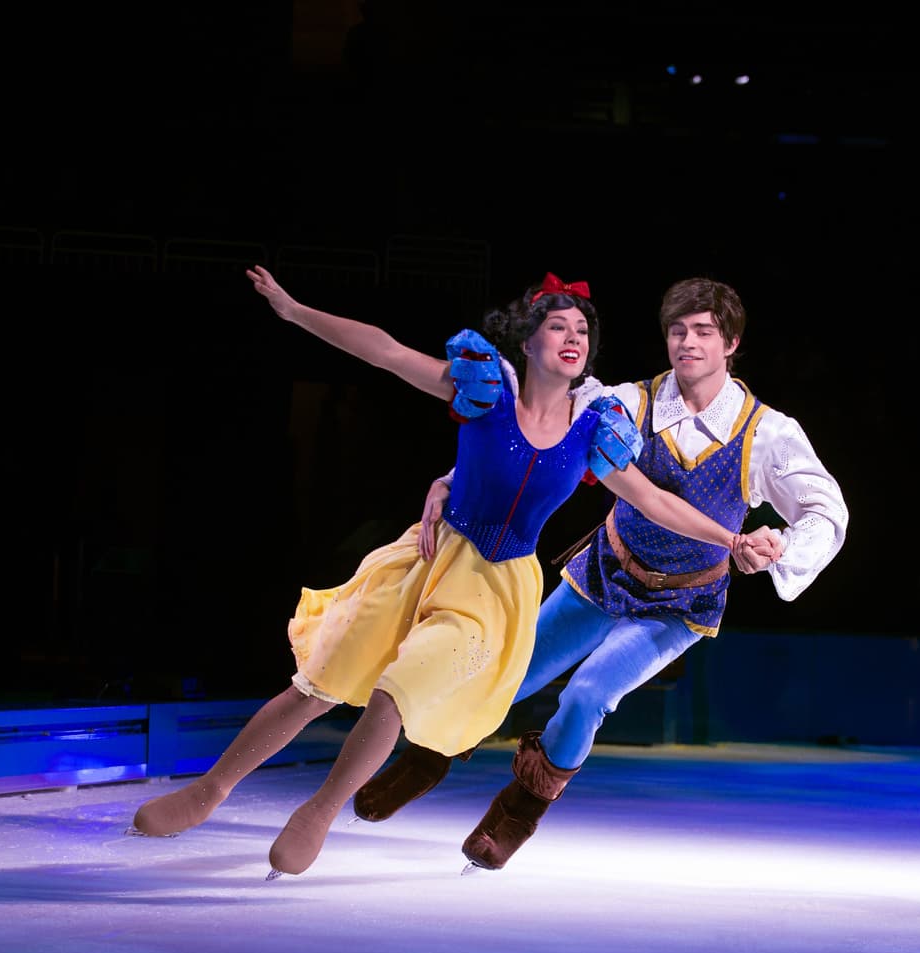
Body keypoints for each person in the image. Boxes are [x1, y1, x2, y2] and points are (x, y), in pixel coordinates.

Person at [129, 269, 781, 876]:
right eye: (558, 325)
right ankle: (211, 788)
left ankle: (320, 811)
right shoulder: (484, 387)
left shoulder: (594, 429)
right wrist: (294, 310)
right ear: (527, 340)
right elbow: (385, 351)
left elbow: (657, 501)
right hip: (427, 558)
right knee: (318, 685)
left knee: (397, 690)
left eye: (583, 329)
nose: (574, 337)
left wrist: (731, 538)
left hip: (496, 590)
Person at [353, 275, 849, 871]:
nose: (687, 342)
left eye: (703, 332)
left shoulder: (766, 433)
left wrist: (778, 549)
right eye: (677, 330)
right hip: (607, 571)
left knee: (588, 694)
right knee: (505, 673)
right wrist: (452, 481)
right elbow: (536, 439)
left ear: (731, 343)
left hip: (680, 603)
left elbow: (827, 509)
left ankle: (518, 811)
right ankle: (426, 757)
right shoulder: (625, 403)